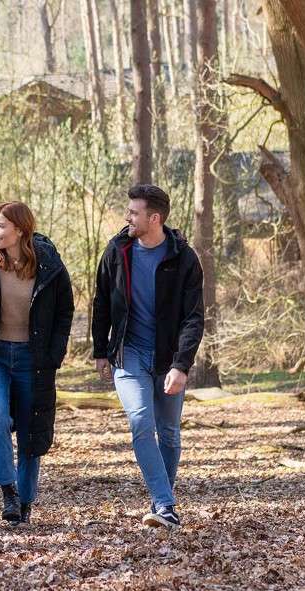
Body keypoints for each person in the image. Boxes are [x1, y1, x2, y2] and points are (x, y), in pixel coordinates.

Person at [91, 184, 204, 529]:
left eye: (134, 212)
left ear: (154, 218)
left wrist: (181, 365)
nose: (128, 217)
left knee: (168, 432)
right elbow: (101, 301)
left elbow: (194, 317)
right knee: (141, 423)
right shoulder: (118, 250)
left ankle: (163, 503)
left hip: (168, 357)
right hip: (129, 354)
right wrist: (100, 350)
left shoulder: (183, 258)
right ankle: (166, 504)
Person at [0, 202, 73, 525]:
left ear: (20, 229)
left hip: (33, 361)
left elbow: (64, 314)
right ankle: (8, 490)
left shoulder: (50, 265)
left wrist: (54, 355)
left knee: (31, 432)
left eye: (2, 226)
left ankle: (25, 500)